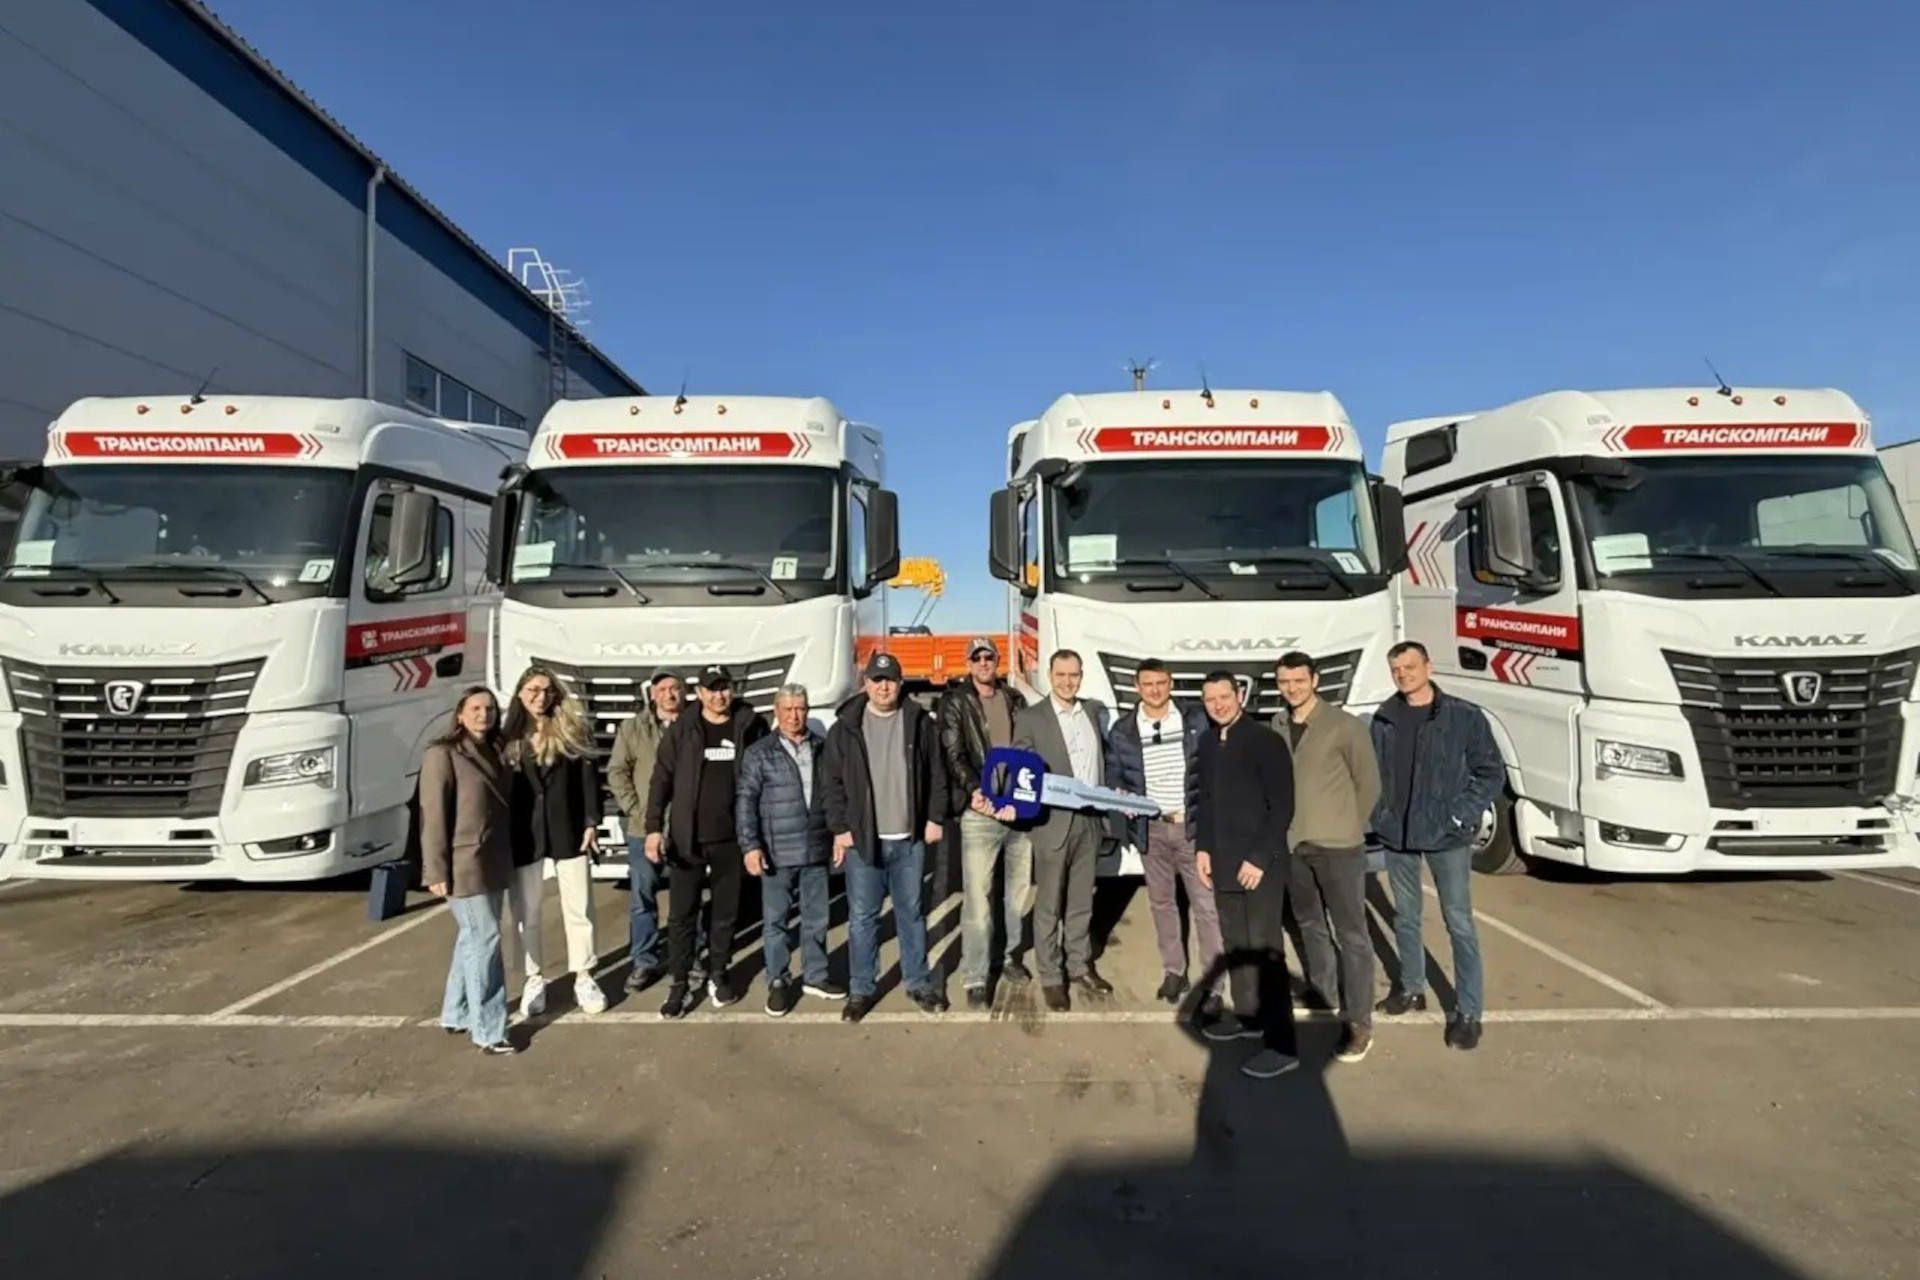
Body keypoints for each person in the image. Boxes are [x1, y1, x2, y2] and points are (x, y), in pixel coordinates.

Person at [1370, 641, 1503, 1051]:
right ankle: (1412, 988)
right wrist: (1379, 814)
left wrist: (1460, 815)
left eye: (1410, 666)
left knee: (1458, 922)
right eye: (1396, 669)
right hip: (1398, 835)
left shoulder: (1463, 716)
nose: (1403, 675)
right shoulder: (1385, 717)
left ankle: (1468, 1012)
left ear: (1428, 667)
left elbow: (1490, 772)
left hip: (1447, 836)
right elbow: (1376, 772)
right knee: (1406, 917)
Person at [821, 652, 950, 1022]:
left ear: (900, 683)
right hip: (865, 841)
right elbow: (831, 783)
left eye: (890, 680)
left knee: (911, 914)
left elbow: (936, 773)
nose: (883, 687)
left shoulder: (919, 722)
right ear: (866, 684)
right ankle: (862, 989)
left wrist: (934, 818)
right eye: (876, 680)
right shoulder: (845, 728)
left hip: (909, 838)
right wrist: (840, 828)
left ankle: (918, 982)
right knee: (863, 917)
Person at [1274, 651, 1382, 1064]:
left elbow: (1368, 783)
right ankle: (1324, 993)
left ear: (1314, 680)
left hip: (1339, 848)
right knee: (1310, 925)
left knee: (1352, 935)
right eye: (1284, 682)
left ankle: (1359, 1022)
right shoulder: (1278, 724)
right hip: (1294, 846)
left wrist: (1346, 825)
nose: (1292, 688)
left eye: (1299, 680)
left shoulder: (1344, 726)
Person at [645, 664, 768, 1018]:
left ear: (733, 689)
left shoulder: (750, 725)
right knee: (682, 916)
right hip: (688, 840)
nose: (719, 695)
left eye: (724, 687)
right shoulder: (682, 730)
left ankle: (718, 972)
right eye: (711, 689)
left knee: (725, 914)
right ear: (699, 693)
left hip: (732, 839)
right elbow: (661, 780)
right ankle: (680, 984)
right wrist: (654, 827)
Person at [1194, 670, 1298, 1080]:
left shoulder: (1265, 741)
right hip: (1222, 864)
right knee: (1237, 946)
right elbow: (1205, 801)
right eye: (1210, 699)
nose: (1218, 705)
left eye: (1224, 696)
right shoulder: (1207, 743)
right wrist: (1203, 848)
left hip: (1259, 867)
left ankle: (1282, 1044)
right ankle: (1249, 1017)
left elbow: (1282, 806)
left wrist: (1258, 858)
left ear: (1240, 695)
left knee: (1265, 950)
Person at [1105, 658, 1221, 1008]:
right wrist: (1120, 795)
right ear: (1137, 687)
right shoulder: (1123, 730)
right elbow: (1114, 775)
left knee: (1205, 906)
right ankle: (1174, 972)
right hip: (1151, 829)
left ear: (1170, 683)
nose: (1154, 690)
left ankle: (1214, 985)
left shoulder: (1195, 719)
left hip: (1192, 828)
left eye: (1160, 683)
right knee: (1161, 904)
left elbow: (1213, 764)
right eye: (1147, 684)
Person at [501, 665, 605, 1017]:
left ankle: (584, 975)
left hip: (568, 828)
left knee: (580, 907)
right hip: (524, 834)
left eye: (547, 690)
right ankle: (533, 978)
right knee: (526, 911)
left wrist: (591, 821)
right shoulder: (507, 736)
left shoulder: (572, 729)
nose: (540, 697)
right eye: (533, 690)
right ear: (520, 693)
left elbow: (589, 780)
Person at [937, 635, 1033, 1010]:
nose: (983, 663)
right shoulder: (956, 702)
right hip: (979, 812)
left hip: (1016, 811)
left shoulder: (1014, 699)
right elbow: (953, 752)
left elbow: (1029, 747)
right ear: (969, 663)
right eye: (976, 658)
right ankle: (976, 974)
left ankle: (1008, 957)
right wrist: (975, 789)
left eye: (988, 657)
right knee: (978, 898)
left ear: (997, 661)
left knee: (1017, 893)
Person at [419, 686, 516, 1054]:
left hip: (493, 860)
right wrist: (435, 870)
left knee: (472, 938)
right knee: (485, 939)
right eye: (475, 708)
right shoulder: (442, 754)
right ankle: (489, 1030)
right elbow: (433, 816)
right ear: (460, 714)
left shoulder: (496, 751)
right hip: (463, 864)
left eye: (489, 708)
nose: (483, 714)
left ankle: (456, 1011)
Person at [736, 683, 843, 1015]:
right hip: (777, 851)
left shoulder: (822, 748)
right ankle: (778, 981)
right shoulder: (759, 753)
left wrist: (838, 834)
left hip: (815, 848)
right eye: (788, 709)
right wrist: (750, 846)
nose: (795, 716)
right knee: (777, 921)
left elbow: (834, 795)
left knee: (816, 918)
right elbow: (745, 802)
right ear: (776, 711)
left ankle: (816, 976)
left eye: (800, 709)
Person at [1014, 649, 1111, 1013]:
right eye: (1061, 675)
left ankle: (1079, 966)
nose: (1067, 682)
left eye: (1074, 675)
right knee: (1049, 906)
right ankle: (1051, 977)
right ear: (1049, 676)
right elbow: (1022, 770)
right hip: (1053, 823)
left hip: (1089, 822)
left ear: (1081, 677)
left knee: (1082, 902)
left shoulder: (1092, 712)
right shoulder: (1031, 718)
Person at [607, 669, 688, 994]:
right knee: (642, 899)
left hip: (685, 828)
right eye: (663, 689)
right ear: (652, 694)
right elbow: (617, 771)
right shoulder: (633, 728)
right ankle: (644, 961)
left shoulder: (693, 725)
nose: (669, 694)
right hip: (644, 829)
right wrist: (636, 811)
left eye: (675, 688)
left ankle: (690, 958)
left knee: (687, 899)